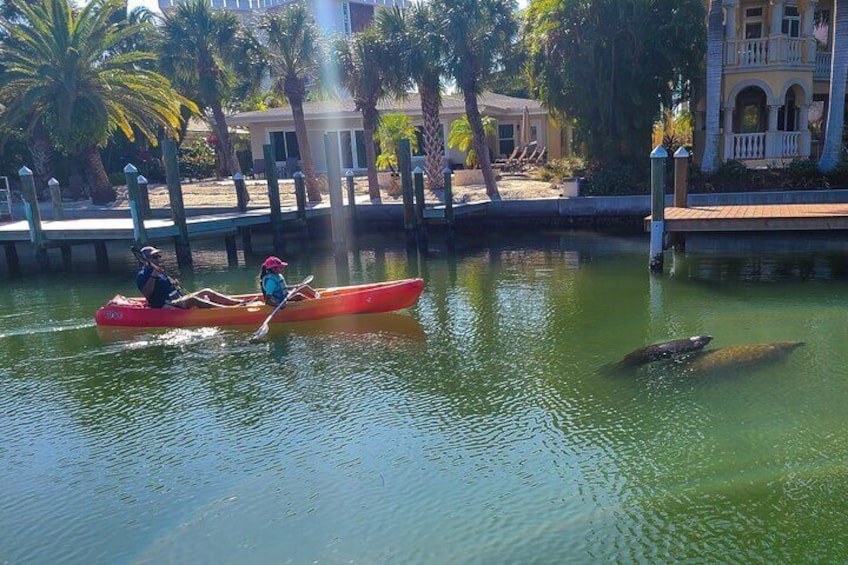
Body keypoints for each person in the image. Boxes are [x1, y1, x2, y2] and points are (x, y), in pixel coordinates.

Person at [136, 246, 245, 309]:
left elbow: (164, 286)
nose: (158, 259)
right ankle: (225, 310)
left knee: (206, 291)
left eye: (158, 256)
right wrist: (153, 275)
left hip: (176, 299)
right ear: (146, 259)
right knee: (193, 299)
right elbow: (147, 293)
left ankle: (238, 303)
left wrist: (173, 283)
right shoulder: (142, 275)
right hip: (165, 304)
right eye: (155, 257)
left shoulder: (158, 270)